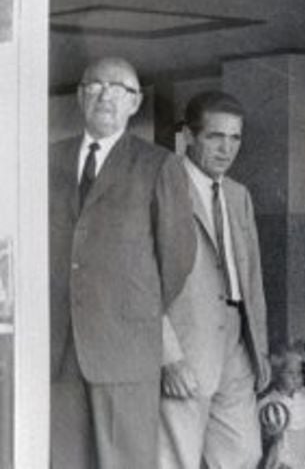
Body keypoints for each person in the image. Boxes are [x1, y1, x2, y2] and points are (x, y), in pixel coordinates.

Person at [49, 57, 197, 469]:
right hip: (58, 348)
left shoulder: (157, 165)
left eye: (120, 88)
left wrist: (131, 306)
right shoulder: (48, 160)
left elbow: (177, 260)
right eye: (95, 86)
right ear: (79, 97)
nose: (106, 95)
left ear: (135, 104)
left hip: (125, 349)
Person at [159, 90, 271, 469]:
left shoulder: (239, 196)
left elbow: (252, 281)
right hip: (186, 343)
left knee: (243, 455)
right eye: (215, 137)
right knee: (177, 458)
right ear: (189, 136)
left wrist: (261, 353)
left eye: (235, 138)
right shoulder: (162, 187)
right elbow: (142, 281)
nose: (227, 149)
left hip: (236, 345)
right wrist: (167, 355)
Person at [259, 347, 305, 469]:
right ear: (277, 374)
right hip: (286, 446)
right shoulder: (271, 402)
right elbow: (264, 430)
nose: (296, 377)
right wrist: (268, 432)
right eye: (290, 373)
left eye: (299, 373)